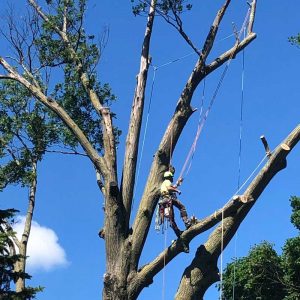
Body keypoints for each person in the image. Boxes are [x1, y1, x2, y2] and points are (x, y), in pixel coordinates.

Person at [159, 170, 191, 237]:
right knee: (182, 207)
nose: (172, 178)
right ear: (169, 177)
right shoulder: (167, 181)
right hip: (168, 199)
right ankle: (187, 222)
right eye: (171, 177)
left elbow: (171, 187)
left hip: (164, 201)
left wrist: (178, 183)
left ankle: (178, 233)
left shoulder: (164, 183)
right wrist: (177, 190)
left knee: (171, 219)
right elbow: (169, 188)